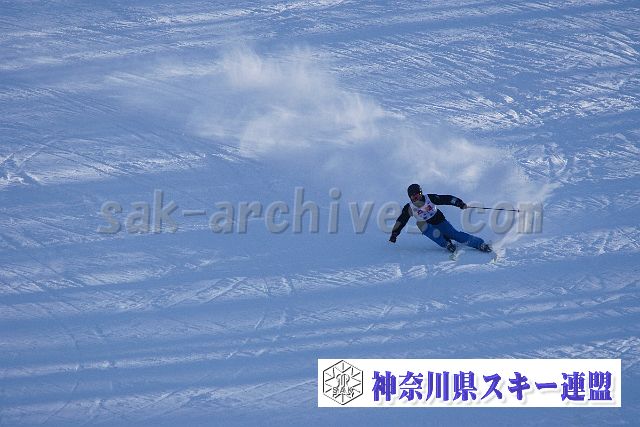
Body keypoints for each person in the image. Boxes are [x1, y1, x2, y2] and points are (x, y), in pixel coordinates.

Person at [389, 183, 491, 253]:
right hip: (426, 224)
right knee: (421, 224)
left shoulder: (430, 198)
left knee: (455, 235)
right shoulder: (409, 207)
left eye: (418, 195)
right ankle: (446, 243)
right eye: (413, 197)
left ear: (421, 193)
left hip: (439, 221)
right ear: (410, 197)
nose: (417, 199)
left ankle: (479, 244)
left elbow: (446, 199)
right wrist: (394, 233)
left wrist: (458, 203)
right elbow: (401, 221)